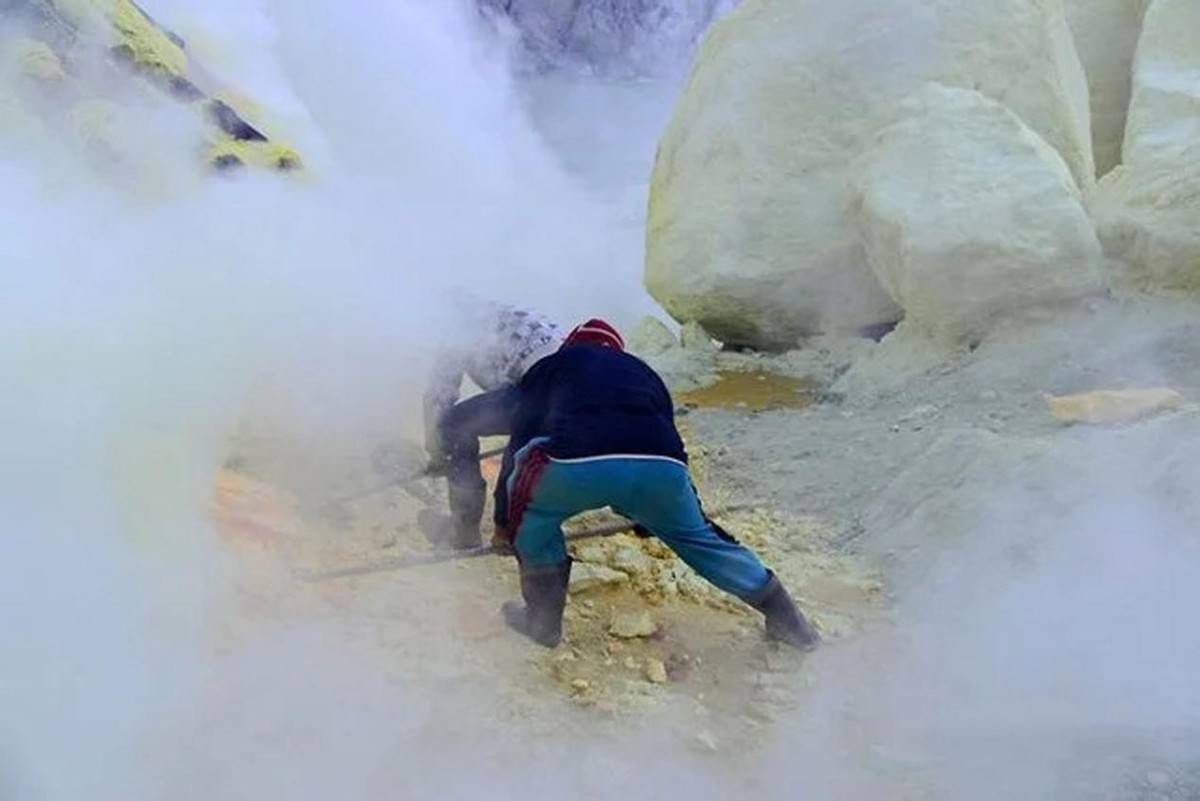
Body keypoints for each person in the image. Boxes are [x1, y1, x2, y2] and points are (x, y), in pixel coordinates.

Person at [492, 318, 820, 651]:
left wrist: (505, 523)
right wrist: (653, 516)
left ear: (572, 344)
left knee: (532, 519)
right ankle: (791, 624)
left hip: (573, 465)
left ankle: (543, 622)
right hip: (663, 468)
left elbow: (520, 437)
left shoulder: (555, 364)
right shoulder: (644, 373)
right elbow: (666, 440)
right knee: (700, 538)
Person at [422, 297, 564, 549]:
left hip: (536, 389)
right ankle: (520, 528)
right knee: (523, 437)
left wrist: (438, 454)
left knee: (454, 425)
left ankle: (463, 529)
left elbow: (440, 399)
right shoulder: (515, 313)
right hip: (571, 395)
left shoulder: (457, 328)